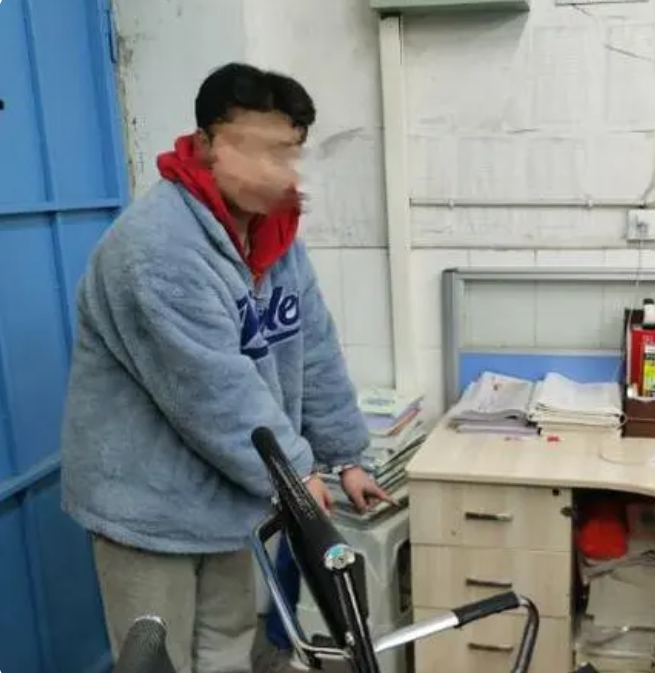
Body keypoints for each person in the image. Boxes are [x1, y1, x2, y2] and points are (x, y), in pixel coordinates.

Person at [60, 62, 390, 673]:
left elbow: (312, 347)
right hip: (147, 507)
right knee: (157, 658)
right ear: (206, 144)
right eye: (254, 150)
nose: (275, 171)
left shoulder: (276, 239)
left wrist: (347, 456)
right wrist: (296, 475)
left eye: (287, 152)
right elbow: (212, 389)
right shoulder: (155, 248)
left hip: (226, 497)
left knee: (228, 645)